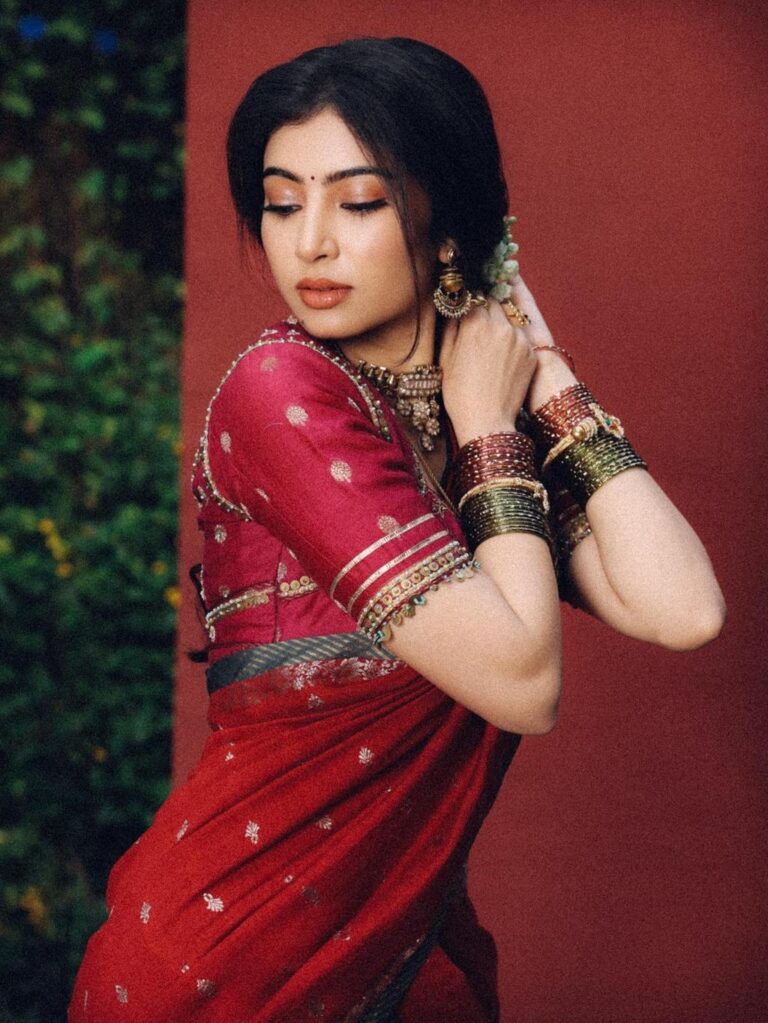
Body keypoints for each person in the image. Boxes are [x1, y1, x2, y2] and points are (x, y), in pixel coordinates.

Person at [68, 36, 725, 1023]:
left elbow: (683, 609)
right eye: (281, 203)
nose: (309, 242)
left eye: (359, 202)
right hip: (228, 964)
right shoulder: (281, 392)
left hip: (408, 954)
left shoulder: (462, 405)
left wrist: (544, 369)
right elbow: (523, 685)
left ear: (449, 224)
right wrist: (490, 429)